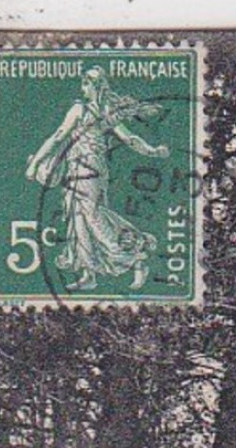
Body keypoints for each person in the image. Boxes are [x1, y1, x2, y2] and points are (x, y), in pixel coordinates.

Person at [26, 67, 168, 292]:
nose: (83, 88)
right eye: (83, 84)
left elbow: (59, 136)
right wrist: (152, 151)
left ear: (95, 86)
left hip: (89, 170)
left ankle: (136, 255)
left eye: (86, 84)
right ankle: (88, 273)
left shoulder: (88, 110)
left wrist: (35, 164)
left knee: (92, 215)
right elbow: (128, 138)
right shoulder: (100, 111)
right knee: (78, 218)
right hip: (78, 168)